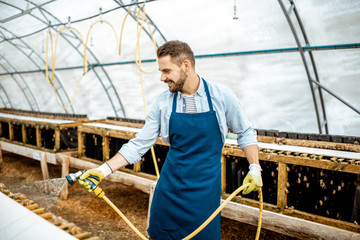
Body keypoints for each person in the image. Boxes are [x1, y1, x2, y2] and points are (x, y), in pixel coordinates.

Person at [79, 40, 263, 240]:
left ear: (186, 65)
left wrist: (255, 168)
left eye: (166, 71)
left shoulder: (222, 97)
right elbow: (140, 143)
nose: (161, 77)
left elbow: (245, 131)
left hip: (205, 194)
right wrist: (103, 170)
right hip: (169, 191)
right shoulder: (163, 103)